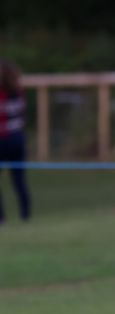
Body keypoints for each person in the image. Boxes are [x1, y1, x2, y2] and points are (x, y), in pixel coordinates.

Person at [0, 59, 32, 223]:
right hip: (18, 138)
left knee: (18, 179)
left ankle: (1, 218)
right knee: (19, 179)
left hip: (3, 139)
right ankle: (25, 216)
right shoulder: (19, 92)